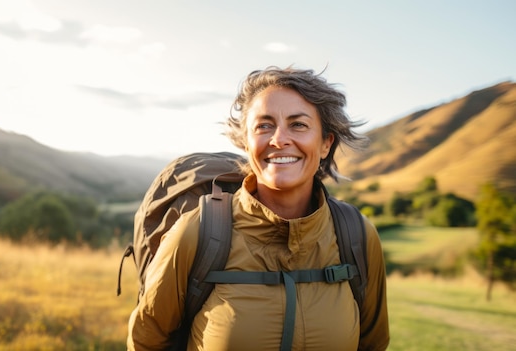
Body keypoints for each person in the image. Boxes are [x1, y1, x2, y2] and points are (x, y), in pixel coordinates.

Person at [127, 66, 389, 350]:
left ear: (326, 143)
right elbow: (147, 341)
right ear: (247, 142)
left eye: (298, 124)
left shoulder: (357, 236)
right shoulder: (196, 232)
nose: (278, 139)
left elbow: (372, 344)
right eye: (264, 125)